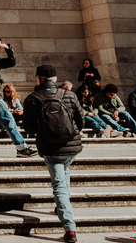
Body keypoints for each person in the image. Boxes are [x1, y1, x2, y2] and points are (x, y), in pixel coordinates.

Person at [23, 65, 84, 243]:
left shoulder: (32, 98)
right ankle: (61, 206)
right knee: (64, 173)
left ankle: (69, 229)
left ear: (38, 78)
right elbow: (81, 121)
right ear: (55, 79)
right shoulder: (70, 95)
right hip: (71, 147)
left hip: (50, 148)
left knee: (59, 187)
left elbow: (29, 128)